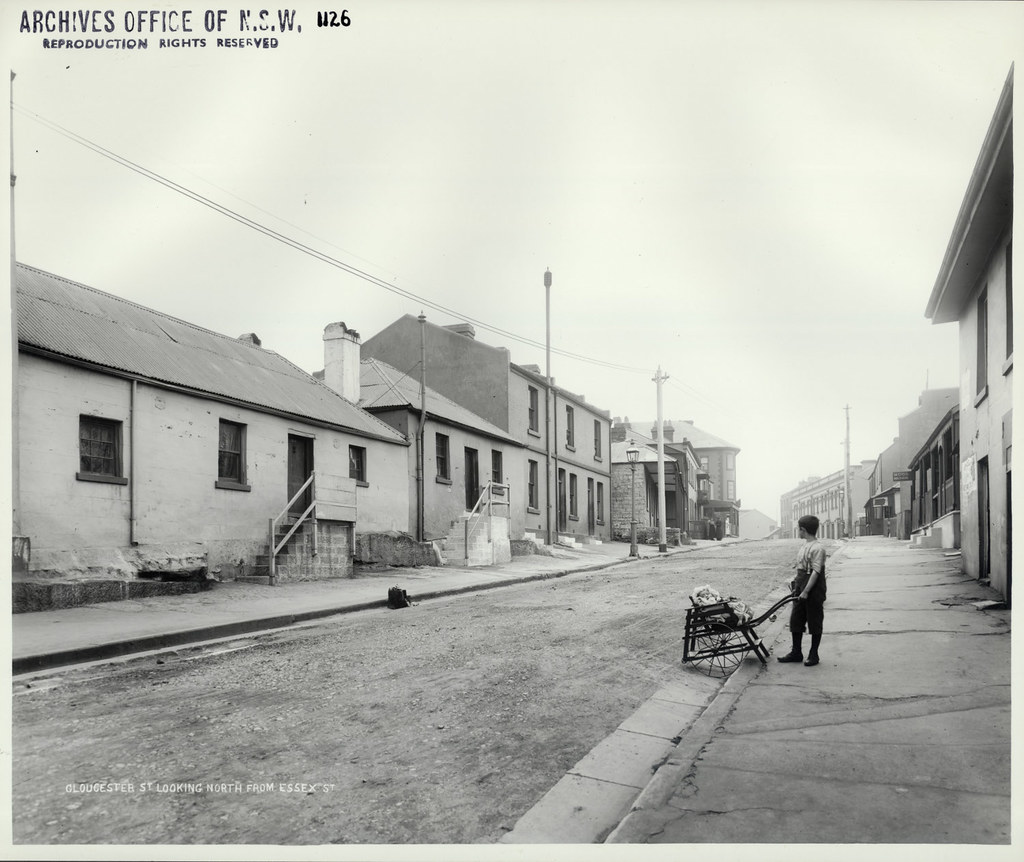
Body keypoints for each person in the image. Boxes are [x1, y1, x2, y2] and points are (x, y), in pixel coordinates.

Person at [778, 514, 827, 666]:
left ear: (803, 530)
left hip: (814, 589)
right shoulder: (805, 546)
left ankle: (814, 654)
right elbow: (801, 569)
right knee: (796, 619)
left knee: (814, 620)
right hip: (801, 585)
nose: (798, 532)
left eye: (799, 529)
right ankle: (796, 652)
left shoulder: (818, 548)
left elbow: (816, 571)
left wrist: (806, 591)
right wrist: (797, 586)